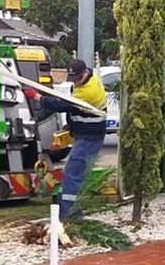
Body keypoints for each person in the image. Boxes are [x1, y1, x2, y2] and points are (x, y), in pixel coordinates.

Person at [24, 58, 107, 220]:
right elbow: (79, 110)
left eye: (77, 78)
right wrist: (71, 126)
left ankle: (69, 213)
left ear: (84, 73)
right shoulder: (90, 77)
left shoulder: (88, 91)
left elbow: (63, 105)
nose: (74, 82)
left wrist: (36, 97)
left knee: (72, 174)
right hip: (85, 133)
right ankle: (66, 208)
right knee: (73, 172)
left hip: (89, 137)